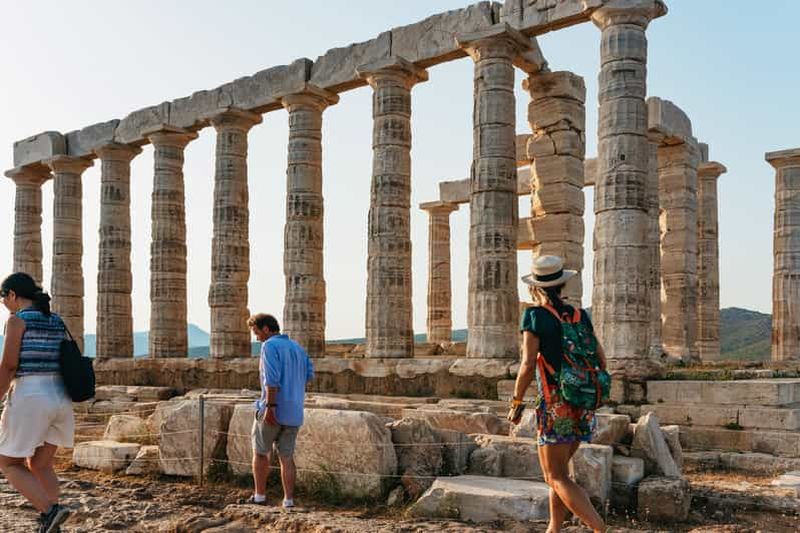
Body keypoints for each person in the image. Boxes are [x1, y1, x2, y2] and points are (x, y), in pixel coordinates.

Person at [508, 256, 607, 533]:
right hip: (583, 403)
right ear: (562, 284)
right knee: (561, 472)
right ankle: (554, 529)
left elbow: (528, 364)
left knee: (555, 476)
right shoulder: (579, 315)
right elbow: (602, 359)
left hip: (556, 404)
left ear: (535, 287)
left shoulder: (535, 316)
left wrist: (517, 402)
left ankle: (600, 528)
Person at [0, 272, 74, 533]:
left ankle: (50, 510)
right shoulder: (56, 319)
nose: (4, 304)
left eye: (3, 298)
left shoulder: (16, 320)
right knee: (41, 464)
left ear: (12, 295)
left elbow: (9, 365)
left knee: (8, 463)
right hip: (61, 397)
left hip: (32, 395)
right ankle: (51, 524)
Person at [247, 313, 314, 508]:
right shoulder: (298, 348)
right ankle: (289, 500)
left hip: (273, 409)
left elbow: (272, 379)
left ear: (266, 329)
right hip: (294, 410)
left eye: (256, 332)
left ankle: (260, 496)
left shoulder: (269, 346)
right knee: (287, 457)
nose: (256, 338)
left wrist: (270, 407)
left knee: (260, 453)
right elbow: (309, 375)